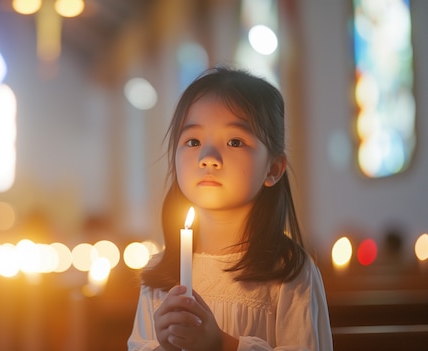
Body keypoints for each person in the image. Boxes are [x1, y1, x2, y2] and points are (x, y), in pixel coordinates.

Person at [127, 66, 333, 351]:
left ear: (273, 168)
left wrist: (221, 344)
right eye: (193, 141)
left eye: (235, 141)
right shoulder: (161, 272)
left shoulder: (289, 271)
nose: (208, 158)